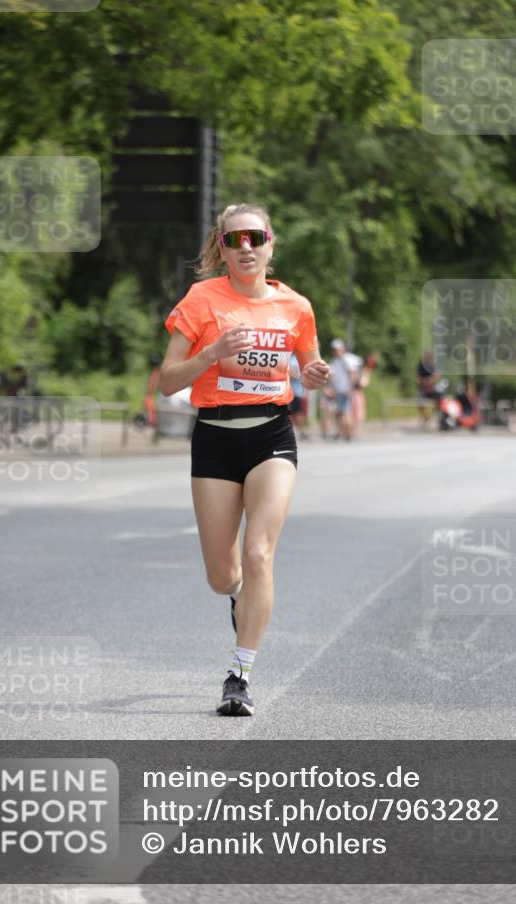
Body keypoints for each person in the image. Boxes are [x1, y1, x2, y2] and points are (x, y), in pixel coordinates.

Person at [160, 203, 330, 716]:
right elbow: (168, 380)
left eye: (255, 237)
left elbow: (309, 363)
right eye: (235, 241)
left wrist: (316, 373)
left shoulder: (296, 306)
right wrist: (211, 354)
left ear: (271, 243)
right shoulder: (201, 299)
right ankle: (238, 595)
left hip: (271, 436)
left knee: (259, 553)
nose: (246, 248)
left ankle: (239, 674)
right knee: (222, 574)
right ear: (223, 249)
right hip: (215, 435)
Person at [325, 338, 359, 440]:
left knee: (345, 412)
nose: (336, 351)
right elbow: (332, 376)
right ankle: (343, 433)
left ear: (342, 349)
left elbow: (353, 375)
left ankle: (349, 434)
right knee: (340, 412)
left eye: (338, 349)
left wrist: (349, 388)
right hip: (338, 390)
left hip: (345, 390)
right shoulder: (335, 361)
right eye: (334, 350)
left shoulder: (347, 359)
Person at [416, 350, 440, 425]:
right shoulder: (420, 365)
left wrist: (430, 381)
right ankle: (426, 416)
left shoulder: (432, 365)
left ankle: (438, 415)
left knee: (438, 401)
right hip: (423, 387)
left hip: (432, 387)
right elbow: (417, 375)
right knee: (420, 403)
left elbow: (437, 375)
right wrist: (421, 381)